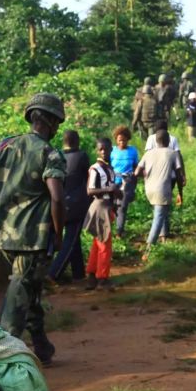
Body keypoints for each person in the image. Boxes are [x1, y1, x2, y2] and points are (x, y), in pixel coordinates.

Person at [0, 93, 66, 365]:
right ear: (48, 121)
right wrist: (59, 234)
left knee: (27, 287)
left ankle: (42, 346)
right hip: (31, 238)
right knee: (19, 291)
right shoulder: (50, 154)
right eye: (56, 122)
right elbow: (57, 198)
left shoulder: (5, 146)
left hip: (2, 237)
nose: (57, 128)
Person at [48, 130, 90, 284]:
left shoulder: (56, 157)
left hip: (56, 204)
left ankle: (78, 274)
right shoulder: (81, 156)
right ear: (77, 141)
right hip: (76, 205)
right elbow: (88, 179)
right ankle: (53, 274)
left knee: (74, 240)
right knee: (69, 241)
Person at [135, 130, 184, 260]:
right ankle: (148, 250)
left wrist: (145, 176)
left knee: (160, 214)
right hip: (162, 189)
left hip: (149, 188)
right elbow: (179, 176)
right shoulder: (173, 153)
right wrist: (180, 192)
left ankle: (163, 238)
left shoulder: (148, 153)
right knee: (158, 218)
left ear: (156, 141)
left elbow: (136, 172)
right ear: (168, 141)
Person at [83, 138, 120, 291]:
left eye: (106, 149)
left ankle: (92, 275)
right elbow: (90, 191)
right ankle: (102, 279)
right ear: (98, 151)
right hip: (99, 207)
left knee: (98, 243)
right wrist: (109, 190)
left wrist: (117, 196)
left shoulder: (110, 169)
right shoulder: (95, 169)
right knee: (105, 244)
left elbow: (111, 189)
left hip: (107, 207)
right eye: (101, 149)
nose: (104, 151)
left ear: (111, 149)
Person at [110, 125, 139, 237]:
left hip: (127, 182)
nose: (122, 142)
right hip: (114, 182)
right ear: (116, 140)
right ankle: (112, 228)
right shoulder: (112, 151)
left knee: (122, 207)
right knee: (113, 206)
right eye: (119, 140)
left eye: (124, 140)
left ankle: (119, 231)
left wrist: (134, 182)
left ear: (128, 139)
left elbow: (136, 166)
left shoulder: (132, 151)